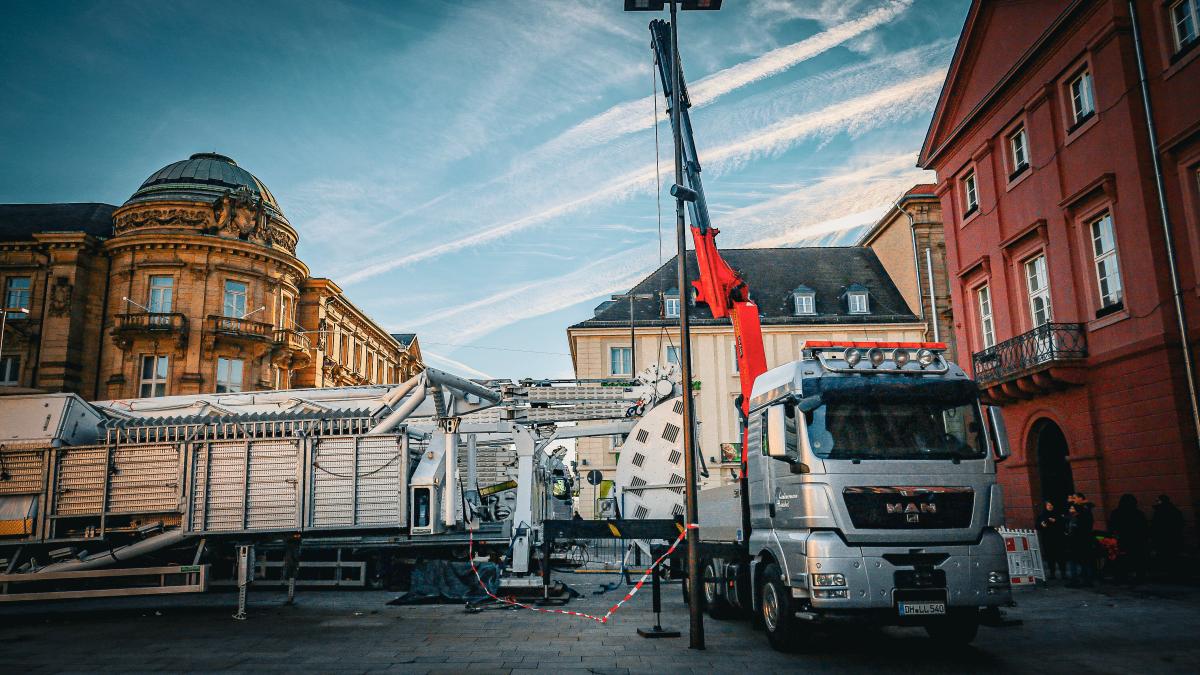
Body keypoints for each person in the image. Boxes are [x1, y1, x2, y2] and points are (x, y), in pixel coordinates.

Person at [1108, 494, 1149, 584]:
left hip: (1122, 540)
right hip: (1136, 540)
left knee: (1121, 559)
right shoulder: (1138, 513)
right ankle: (1139, 576)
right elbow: (1144, 528)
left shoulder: (1116, 513)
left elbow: (1111, 527)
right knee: (1137, 559)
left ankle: (1121, 577)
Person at [1151, 495, 1184, 578]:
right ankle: (1173, 572)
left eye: (1158, 500)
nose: (1156, 502)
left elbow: (1155, 526)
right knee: (1172, 555)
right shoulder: (1174, 511)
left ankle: (1167, 572)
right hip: (1173, 537)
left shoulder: (1159, 512)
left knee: (1164, 555)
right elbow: (1180, 524)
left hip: (1163, 538)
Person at [1066, 497, 1095, 587]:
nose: (1070, 509)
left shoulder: (1077, 519)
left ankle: (1075, 581)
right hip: (1083, 542)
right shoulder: (1083, 517)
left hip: (1077, 543)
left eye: (1072, 508)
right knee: (1085, 562)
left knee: (1075, 562)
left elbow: (1076, 532)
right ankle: (1087, 581)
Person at [1035, 499, 1067, 580]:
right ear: (1045, 506)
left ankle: (1063, 573)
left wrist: (1056, 521)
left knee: (1061, 556)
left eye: (1051, 505)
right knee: (1050, 556)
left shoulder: (1058, 514)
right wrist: (1042, 525)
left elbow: (1064, 524)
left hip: (1058, 538)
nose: (1050, 507)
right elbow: (1037, 526)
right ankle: (1052, 573)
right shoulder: (1042, 515)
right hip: (1047, 539)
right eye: (1048, 505)